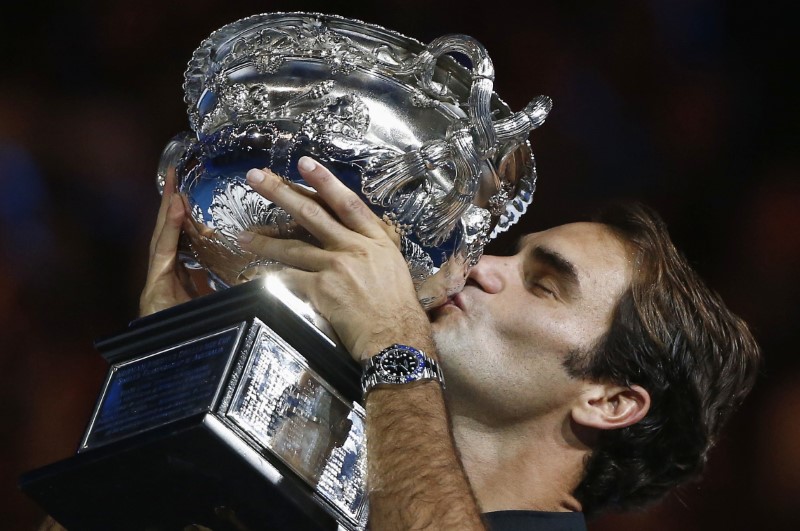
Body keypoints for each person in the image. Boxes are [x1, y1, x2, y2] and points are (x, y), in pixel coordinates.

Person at [138, 156, 760, 531]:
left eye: (544, 285)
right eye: (513, 253)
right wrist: (175, 376)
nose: (483, 266)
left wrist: (393, 342)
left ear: (609, 400)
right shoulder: (304, 488)